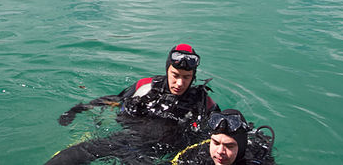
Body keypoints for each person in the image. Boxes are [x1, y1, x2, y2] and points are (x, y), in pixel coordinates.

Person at [47, 44, 219, 164]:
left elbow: (223, 131)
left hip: (157, 156)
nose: (179, 83)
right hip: (126, 139)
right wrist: (77, 109)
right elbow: (115, 100)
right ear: (167, 70)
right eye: (175, 75)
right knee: (71, 155)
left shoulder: (204, 103)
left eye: (186, 77)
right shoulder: (146, 86)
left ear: (193, 76)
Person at [170, 109, 275, 165]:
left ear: (241, 148)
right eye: (216, 143)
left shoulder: (257, 161)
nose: (220, 151)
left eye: (229, 146)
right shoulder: (195, 154)